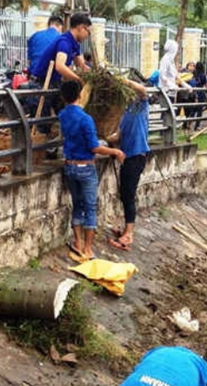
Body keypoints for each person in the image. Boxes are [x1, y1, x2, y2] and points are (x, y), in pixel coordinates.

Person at [59, 80, 125, 262]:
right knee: (89, 207)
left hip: (70, 166)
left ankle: (78, 242)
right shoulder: (86, 119)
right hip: (85, 167)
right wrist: (115, 151)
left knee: (77, 204)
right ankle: (88, 249)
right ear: (80, 96)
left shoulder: (63, 115)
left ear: (63, 97)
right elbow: (94, 148)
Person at [30, 13, 92, 136]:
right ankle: (43, 150)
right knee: (44, 122)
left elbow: (82, 65)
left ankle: (57, 146)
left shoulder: (75, 44)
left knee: (64, 114)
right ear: (80, 28)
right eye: (88, 32)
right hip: (42, 84)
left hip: (55, 83)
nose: (88, 36)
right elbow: (60, 66)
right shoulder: (64, 42)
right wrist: (79, 79)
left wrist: (92, 74)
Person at [108, 79, 149, 252]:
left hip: (136, 156)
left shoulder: (141, 105)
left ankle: (129, 234)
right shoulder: (125, 112)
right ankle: (125, 228)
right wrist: (103, 139)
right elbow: (118, 135)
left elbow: (142, 89)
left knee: (129, 194)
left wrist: (123, 80)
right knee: (124, 194)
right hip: (126, 157)